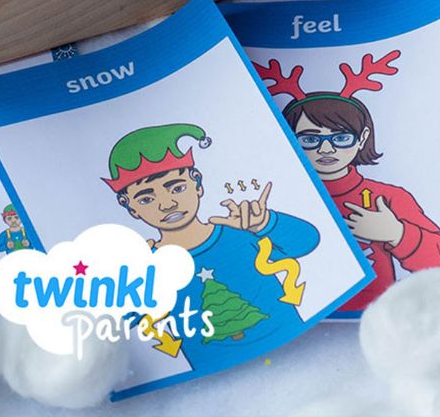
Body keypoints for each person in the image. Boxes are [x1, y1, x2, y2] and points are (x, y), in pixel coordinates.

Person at [104, 123, 320, 371]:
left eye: (177, 187)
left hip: (300, 349)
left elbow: (307, 241)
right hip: (216, 373)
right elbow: (120, 320)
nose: (167, 204)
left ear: (198, 185)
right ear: (130, 208)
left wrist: (265, 223)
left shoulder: (239, 231)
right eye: (146, 198)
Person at [283, 90, 440, 309]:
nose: (326, 148)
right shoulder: (288, 196)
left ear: (362, 138)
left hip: (377, 316)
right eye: (310, 139)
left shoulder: (387, 197)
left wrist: (396, 233)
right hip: (304, 315)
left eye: (341, 138)